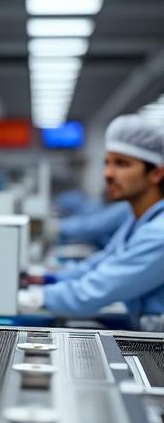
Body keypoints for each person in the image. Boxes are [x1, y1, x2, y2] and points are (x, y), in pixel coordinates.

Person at [19, 114, 164, 324]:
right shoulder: (137, 221)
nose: (108, 174)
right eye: (107, 163)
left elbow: (91, 293)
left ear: (156, 173)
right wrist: (48, 279)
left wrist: (28, 298)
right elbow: (101, 264)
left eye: (122, 164)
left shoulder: (159, 233)